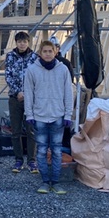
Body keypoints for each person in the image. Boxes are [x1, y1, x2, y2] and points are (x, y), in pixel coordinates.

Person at [24, 40, 73, 195]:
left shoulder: (63, 69)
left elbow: (68, 92)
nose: (47, 54)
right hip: (39, 116)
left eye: (50, 51)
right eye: (44, 51)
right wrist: (29, 114)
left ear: (55, 52)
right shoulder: (32, 70)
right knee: (41, 151)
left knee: (57, 151)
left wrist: (68, 114)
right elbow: (28, 93)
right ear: (40, 53)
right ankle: (45, 181)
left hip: (58, 116)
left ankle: (56, 182)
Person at [4, 31, 38, 173]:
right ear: (16, 43)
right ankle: (18, 159)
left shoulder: (35, 57)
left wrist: (28, 93)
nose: (22, 44)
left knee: (31, 130)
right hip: (15, 98)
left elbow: (37, 78)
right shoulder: (10, 56)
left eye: (24, 41)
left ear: (28, 42)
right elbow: (8, 75)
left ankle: (32, 160)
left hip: (31, 99)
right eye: (19, 42)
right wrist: (18, 91)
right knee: (16, 130)